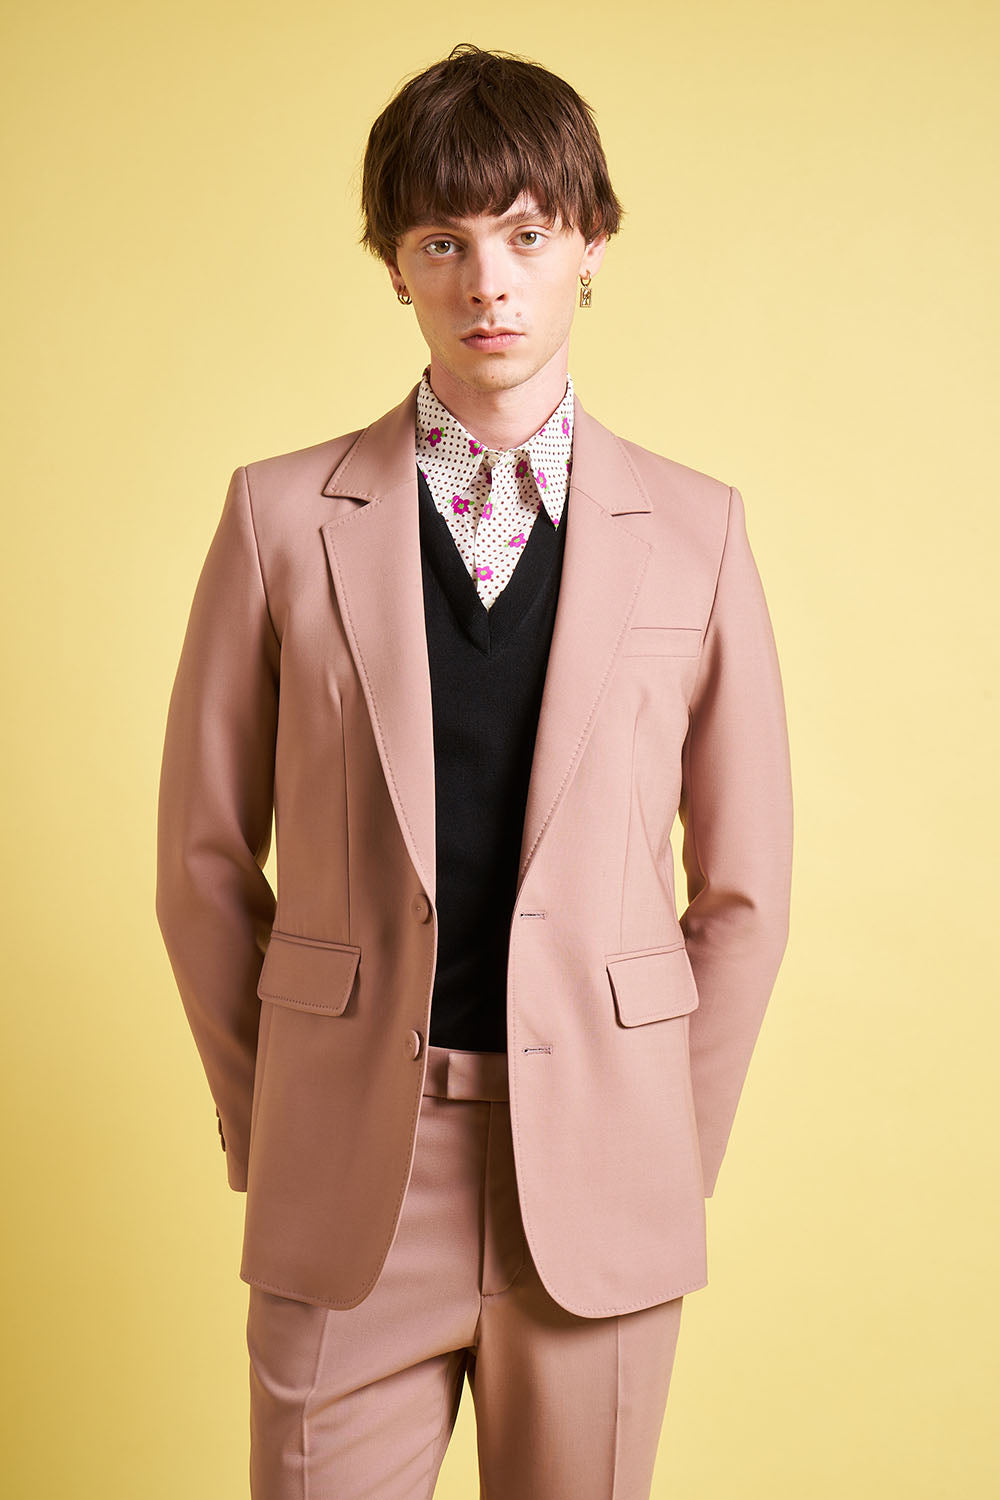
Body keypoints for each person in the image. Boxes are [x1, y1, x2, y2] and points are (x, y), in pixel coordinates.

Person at [156, 41, 793, 1500]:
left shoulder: (696, 533)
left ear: (592, 245)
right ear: (395, 263)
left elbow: (745, 893)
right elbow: (201, 863)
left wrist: (659, 1143)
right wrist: (284, 1121)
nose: (488, 283)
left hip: (602, 1176)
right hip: (353, 1176)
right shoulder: (278, 519)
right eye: (443, 242)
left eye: (526, 234)